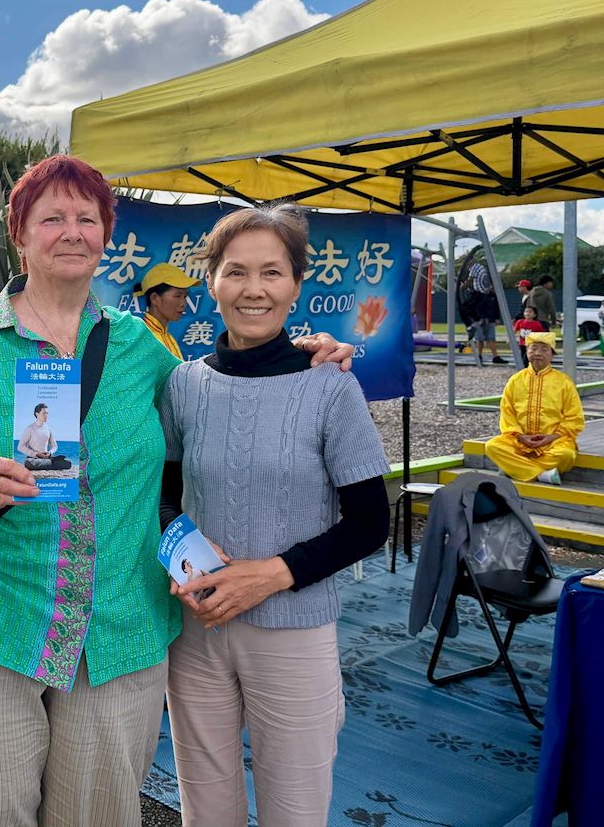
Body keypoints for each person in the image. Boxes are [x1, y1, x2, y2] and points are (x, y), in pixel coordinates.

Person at [0, 154, 352, 827]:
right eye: (52, 218)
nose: (72, 231)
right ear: (20, 234)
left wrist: (300, 352)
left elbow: (217, 386)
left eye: (87, 218)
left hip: (116, 637)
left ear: (105, 237)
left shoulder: (139, 349)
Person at [159, 205, 391, 827]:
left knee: (294, 810)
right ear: (211, 283)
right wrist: (191, 564)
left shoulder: (330, 385)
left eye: (272, 272)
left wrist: (269, 576)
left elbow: (371, 522)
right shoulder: (184, 385)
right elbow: (163, 496)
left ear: (295, 285)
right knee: (205, 807)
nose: (253, 289)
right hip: (198, 628)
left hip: (294, 631)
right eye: (236, 272)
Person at [484, 332, 584, 485]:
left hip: (553, 441)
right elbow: (507, 413)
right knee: (492, 446)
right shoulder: (515, 380)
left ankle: (514, 468)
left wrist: (551, 437)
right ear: (527, 351)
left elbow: (574, 418)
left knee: (566, 455)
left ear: (552, 354)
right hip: (520, 441)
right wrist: (521, 436)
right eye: (533, 348)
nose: (538, 353)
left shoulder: (564, 382)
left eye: (544, 349)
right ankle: (541, 474)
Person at [134, 263, 200, 359]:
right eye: (178, 296)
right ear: (155, 298)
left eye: (185, 296)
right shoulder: (142, 338)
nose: (183, 303)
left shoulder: (168, 337)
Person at [468, 260, 506, 363]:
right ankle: (480, 355)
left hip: (490, 318)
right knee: (480, 338)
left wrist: (496, 318)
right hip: (481, 319)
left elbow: (496, 307)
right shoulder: (477, 294)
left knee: (490, 338)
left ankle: (494, 356)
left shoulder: (492, 295)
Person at [17, 403, 71, 470]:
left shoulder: (48, 429)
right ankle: (51, 463)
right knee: (28, 463)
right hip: (34, 458)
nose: (46, 415)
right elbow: (20, 447)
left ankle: (48, 463)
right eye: (44, 413)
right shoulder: (30, 428)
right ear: (37, 414)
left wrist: (50, 452)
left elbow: (54, 446)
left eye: (47, 413)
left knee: (68, 463)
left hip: (46, 458)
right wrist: (36, 454)